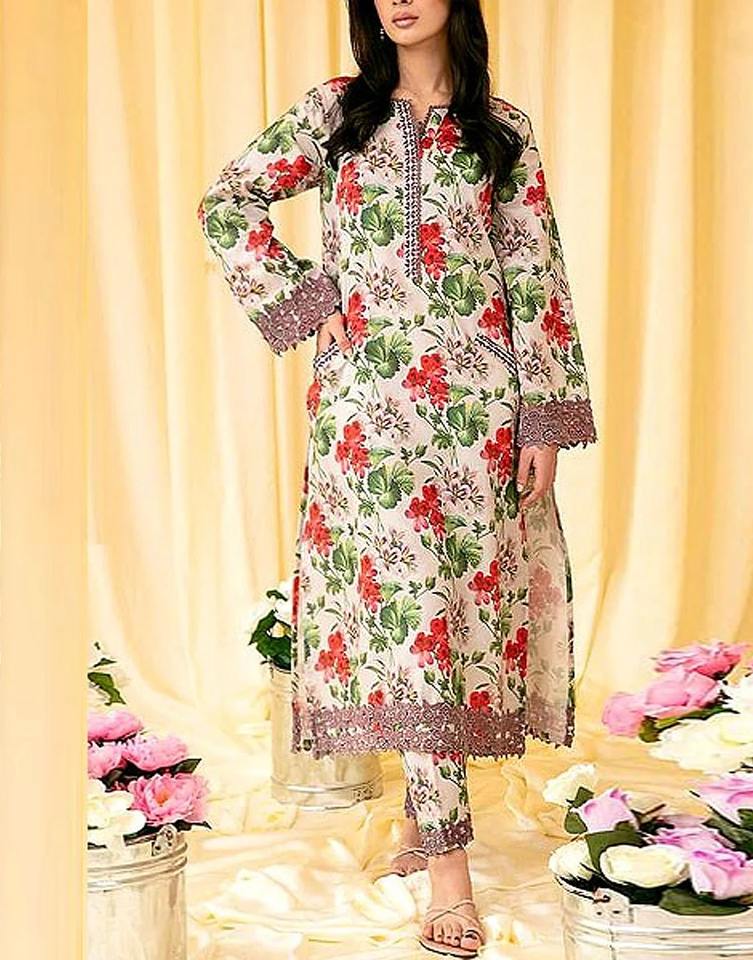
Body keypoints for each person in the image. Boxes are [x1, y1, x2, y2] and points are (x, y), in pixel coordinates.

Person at [197, 0, 597, 955]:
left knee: (454, 614)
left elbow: (534, 275)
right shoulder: (337, 111)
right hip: (368, 408)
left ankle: (424, 818)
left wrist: (542, 412)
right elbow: (228, 203)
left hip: (476, 409)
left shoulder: (501, 130)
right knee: (410, 616)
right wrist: (305, 299)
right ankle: (448, 868)